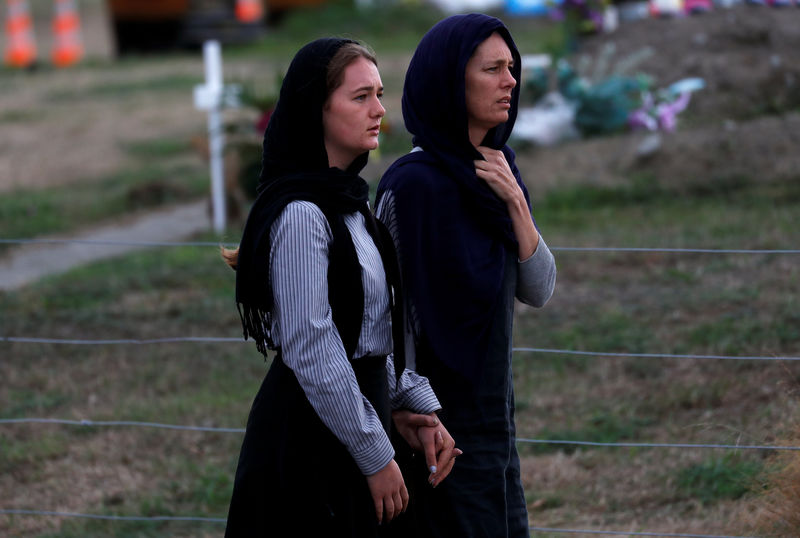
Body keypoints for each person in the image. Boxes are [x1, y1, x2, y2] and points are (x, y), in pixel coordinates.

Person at [222, 38, 458, 537]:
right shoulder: (303, 215)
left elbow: (369, 336)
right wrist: (375, 454)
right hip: (310, 443)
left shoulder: (352, 208)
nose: (378, 110)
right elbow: (313, 349)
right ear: (317, 109)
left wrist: (415, 404)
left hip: (355, 425)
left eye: (379, 93)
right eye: (360, 97)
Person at [375, 14, 557, 538]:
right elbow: (385, 315)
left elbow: (539, 288)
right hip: (433, 430)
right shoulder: (412, 187)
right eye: (492, 69)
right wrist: (409, 408)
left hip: (494, 418)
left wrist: (517, 204)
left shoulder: (498, 172)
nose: (510, 81)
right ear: (452, 81)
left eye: (512, 67)